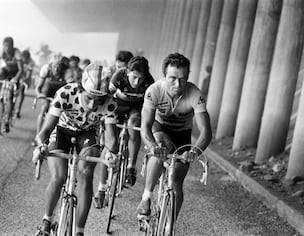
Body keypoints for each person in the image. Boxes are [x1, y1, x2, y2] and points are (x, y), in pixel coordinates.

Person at [32, 63, 119, 236]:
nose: (93, 104)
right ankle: (46, 221)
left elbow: (111, 138)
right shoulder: (65, 93)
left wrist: (111, 153)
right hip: (62, 130)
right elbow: (46, 130)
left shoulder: (110, 102)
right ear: (80, 89)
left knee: (86, 175)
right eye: (89, 98)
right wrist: (40, 146)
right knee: (58, 177)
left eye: (99, 100)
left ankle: (79, 230)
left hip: (87, 133)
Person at [137, 53, 212, 219]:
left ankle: (170, 225)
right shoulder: (154, 90)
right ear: (164, 76)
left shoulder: (195, 94)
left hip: (182, 134)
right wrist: (152, 147)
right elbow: (145, 126)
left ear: (188, 77)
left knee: (177, 180)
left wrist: (194, 151)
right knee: (161, 149)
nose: (177, 84)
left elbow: (206, 131)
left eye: (183, 79)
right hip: (159, 128)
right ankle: (146, 197)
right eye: (172, 78)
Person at [93, 56, 155, 207]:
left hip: (137, 108)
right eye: (134, 77)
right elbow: (107, 97)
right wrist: (102, 117)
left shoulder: (149, 82)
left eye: (140, 79)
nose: (136, 82)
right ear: (127, 71)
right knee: (109, 144)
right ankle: (101, 188)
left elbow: (151, 107)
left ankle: (131, 167)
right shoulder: (119, 76)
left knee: (134, 126)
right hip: (118, 105)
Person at [33, 53, 69, 146]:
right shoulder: (46, 69)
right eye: (54, 66)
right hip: (48, 90)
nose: (57, 69)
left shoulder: (66, 72)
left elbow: (69, 88)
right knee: (44, 107)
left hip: (60, 91)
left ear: (62, 67)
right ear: (51, 65)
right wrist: (39, 94)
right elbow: (39, 87)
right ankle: (38, 136)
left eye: (59, 67)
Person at [0, 36, 23, 132]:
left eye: (8, 46)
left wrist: (15, 79)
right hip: (6, 70)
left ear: (12, 46)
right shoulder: (1, 51)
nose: (7, 48)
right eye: (5, 46)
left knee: (10, 97)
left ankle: (6, 121)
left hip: (15, 73)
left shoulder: (17, 53)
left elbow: (21, 70)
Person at [15, 49, 35, 119]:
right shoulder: (18, 59)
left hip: (25, 79)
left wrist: (23, 80)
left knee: (21, 91)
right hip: (18, 76)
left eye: (25, 59)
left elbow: (28, 76)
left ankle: (18, 110)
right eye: (23, 58)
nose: (24, 60)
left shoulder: (31, 62)